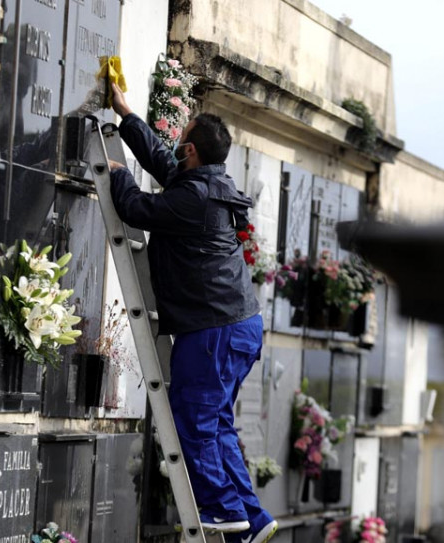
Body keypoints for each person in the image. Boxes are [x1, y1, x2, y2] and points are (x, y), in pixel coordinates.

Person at [107, 83, 278, 543]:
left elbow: (137, 207)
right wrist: (125, 114)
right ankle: (253, 519)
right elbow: (164, 165)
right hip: (235, 325)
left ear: (191, 150)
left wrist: (117, 174)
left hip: (215, 329)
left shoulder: (194, 198)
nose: (176, 146)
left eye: (181, 138)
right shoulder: (208, 184)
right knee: (217, 422)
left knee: (194, 420)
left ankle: (223, 509)